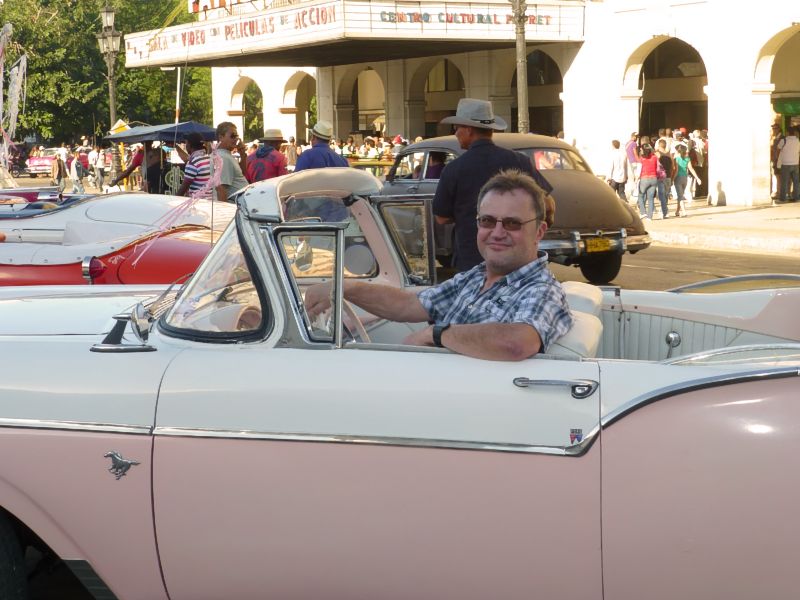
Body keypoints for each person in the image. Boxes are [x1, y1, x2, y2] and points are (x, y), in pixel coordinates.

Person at [304, 169, 573, 361]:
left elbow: (517, 342)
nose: (498, 232)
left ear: (539, 231)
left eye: (512, 223)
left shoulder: (541, 288)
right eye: (488, 221)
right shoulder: (476, 277)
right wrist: (342, 288)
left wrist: (436, 334)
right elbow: (409, 305)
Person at [432, 97, 553, 272]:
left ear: (469, 130)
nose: (455, 133)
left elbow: (441, 217)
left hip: (472, 259)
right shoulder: (519, 161)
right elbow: (548, 204)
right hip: (517, 259)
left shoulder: (454, 169)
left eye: (457, 128)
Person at [214, 121, 249, 201]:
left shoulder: (226, 155)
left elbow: (242, 174)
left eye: (236, 136)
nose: (236, 139)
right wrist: (225, 212)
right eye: (233, 136)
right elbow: (221, 188)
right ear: (221, 137)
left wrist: (242, 155)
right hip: (235, 207)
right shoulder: (223, 157)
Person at [177, 133, 211, 198]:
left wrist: (173, 200)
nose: (185, 145)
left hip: (198, 203)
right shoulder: (208, 158)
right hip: (210, 202)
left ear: (189, 145)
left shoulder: (193, 163)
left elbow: (183, 188)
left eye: (186, 143)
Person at [673, 143, 702, 216]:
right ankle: (677, 211)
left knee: (680, 196)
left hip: (678, 178)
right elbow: (691, 169)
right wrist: (697, 178)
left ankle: (684, 211)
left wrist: (672, 179)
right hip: (685, 178)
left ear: (678, 151)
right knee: (681, 195)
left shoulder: (676, 159)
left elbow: (676, 171)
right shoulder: (687, 159)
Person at [777, 126, 800, 202]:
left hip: (786, 164)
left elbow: (778, 148)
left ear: (787, 132)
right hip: (795, 164)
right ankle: (797, 197)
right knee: (796, 182)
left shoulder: (784, 140)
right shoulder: (798, 141)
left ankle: (783, 198)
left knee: (784, 182)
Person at [637, 143, 658, 220]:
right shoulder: (655, 157)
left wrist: (636, 179)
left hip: (644, 178)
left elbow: (639, 170)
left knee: (640, 196)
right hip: (654, 178)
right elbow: (657, 167)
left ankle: (643, 212)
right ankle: (650, 217)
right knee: (651, 198)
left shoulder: (641, 158)